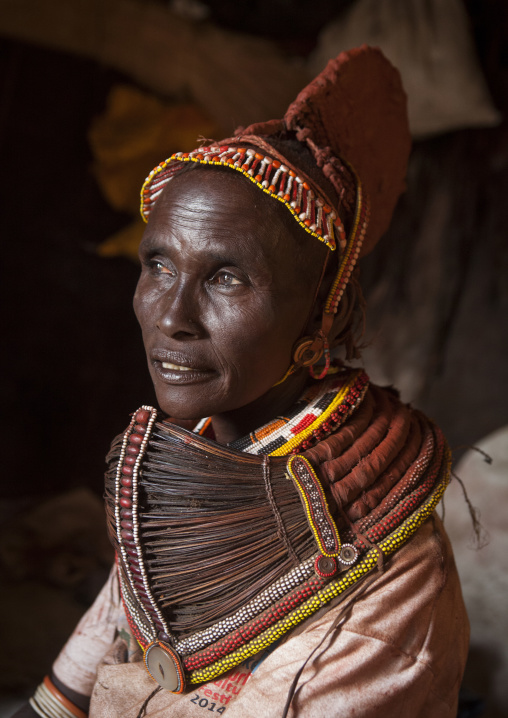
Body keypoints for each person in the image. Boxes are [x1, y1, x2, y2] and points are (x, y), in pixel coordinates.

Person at [19, 46, 469, 718]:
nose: (171, 317)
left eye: (227, 277)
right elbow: (68, 690)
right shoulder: (177, 470)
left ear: (326, 310)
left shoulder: (386, 573)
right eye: (158, 265)